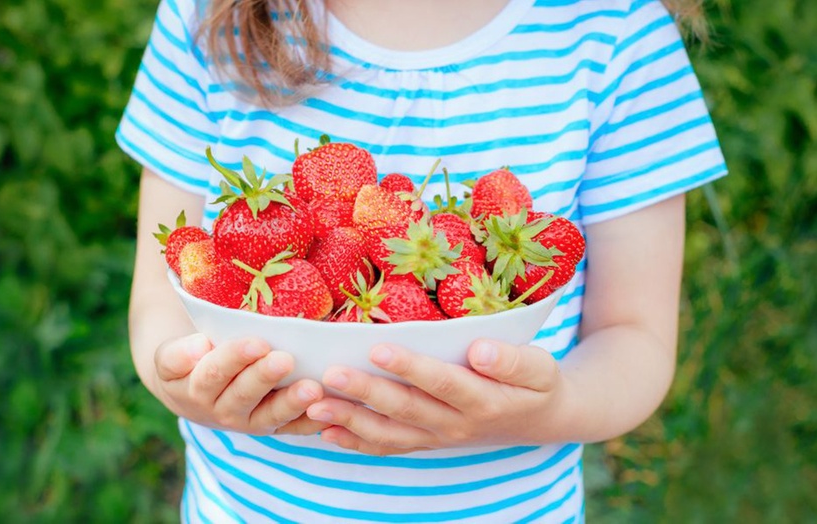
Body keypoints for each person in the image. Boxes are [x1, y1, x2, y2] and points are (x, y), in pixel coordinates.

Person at [117, 0, 727, 521]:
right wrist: (183, 383)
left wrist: (550, 408)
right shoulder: (209, 17)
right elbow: (162, 301)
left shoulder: (617, 31)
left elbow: (635, 337)